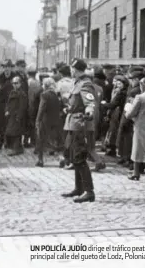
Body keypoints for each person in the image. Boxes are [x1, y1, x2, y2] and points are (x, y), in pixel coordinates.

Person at [60, 59, 97, 203]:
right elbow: (76, 102)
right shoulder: (76, 82)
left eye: (72, 68)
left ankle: (89, 191)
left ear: (78, 70)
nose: (71, 70)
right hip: (71, 123)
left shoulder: (85, 83)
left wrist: (89, 112)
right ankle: (78, 188)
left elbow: (89, 103)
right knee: (73, 156)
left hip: (79, 124)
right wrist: (68, 108)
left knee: (79, 157)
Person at [35, 78, 62, 167]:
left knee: (41, 140)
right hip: (55, 120)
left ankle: (40, 160)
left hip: (45, 120)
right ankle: (61, 158)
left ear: (45, 85)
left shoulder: (44, 95)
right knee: (54, 140)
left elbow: (41, 108)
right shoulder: (56, 95)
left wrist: (38, 120)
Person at [5, 76, 27, 156]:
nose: (15, 85)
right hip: (11, 115)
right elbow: (8, 103)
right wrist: (6, 110)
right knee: (11, 132)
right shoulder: (12, 92)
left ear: (20, 84)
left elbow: (23, 106)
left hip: (17, 116)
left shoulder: (22, 94)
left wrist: (19, 116)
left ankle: (16, 149)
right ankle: (18, 148)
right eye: (13, 83)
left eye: (16, 83)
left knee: (16, 133)